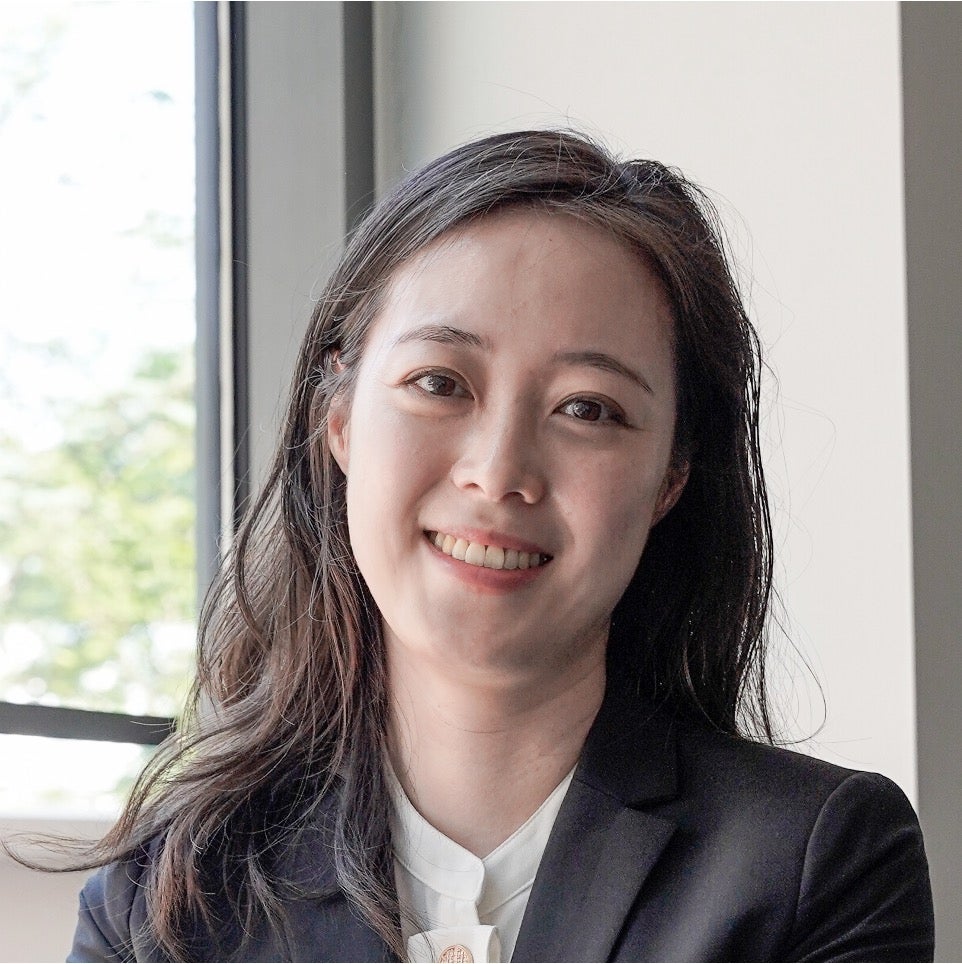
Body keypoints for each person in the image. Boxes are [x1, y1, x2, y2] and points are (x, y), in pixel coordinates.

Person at [65, 130, 933, 962]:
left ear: (671, 476)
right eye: (439, 383)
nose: (498, 471)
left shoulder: (817, 863)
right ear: (340, 421)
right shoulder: (164, 895)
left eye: (587, 408)